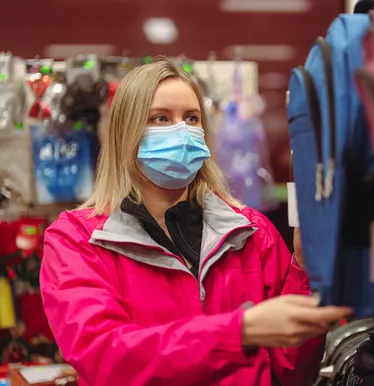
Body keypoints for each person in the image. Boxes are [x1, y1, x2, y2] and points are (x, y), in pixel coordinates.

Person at [40, 59, 352, 386]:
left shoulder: (252, 233)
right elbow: (107, 358)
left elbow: (290, 373)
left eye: (191, 118)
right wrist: (239, 332)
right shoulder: (77, 239)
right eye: (161, 118)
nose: (183, 130)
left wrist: (304, 266)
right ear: (126, 132)